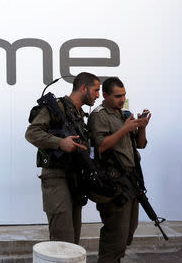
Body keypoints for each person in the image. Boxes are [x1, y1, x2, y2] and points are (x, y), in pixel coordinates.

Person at [25, 72, 100, 244]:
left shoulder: (78, 113)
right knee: (62, 240)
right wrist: (60, 143)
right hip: (56, 177)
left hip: (74, 178)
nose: (97, 95)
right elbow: (32, 133)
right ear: (83, 88)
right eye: (95, 90)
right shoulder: (57, 107)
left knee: (73, 240)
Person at [87, 77, 150, 263]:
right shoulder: (99, 115)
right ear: (105, 95)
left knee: (129, 231)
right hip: (113, 182)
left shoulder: (124, 114)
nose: (122, 100)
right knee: (115, 235)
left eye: (123, 95)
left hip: (130, 180)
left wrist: (142, 127)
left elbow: (140, 144)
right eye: (117, 96)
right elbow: (99, 147)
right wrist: (124, 129)